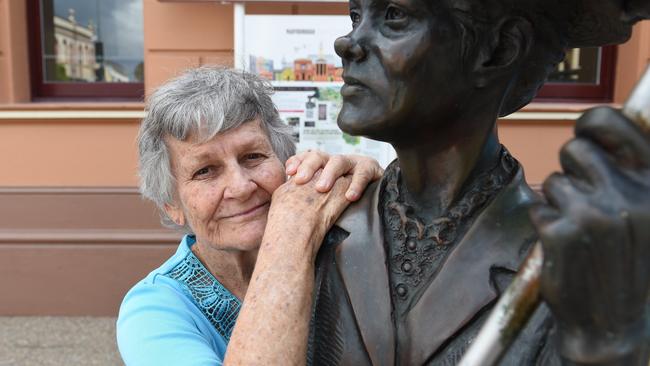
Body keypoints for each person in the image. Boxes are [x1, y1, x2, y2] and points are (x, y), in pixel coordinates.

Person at [307, 0, 650, 365]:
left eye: (394, 15)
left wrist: (609, 342)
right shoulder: (321, 226)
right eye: (356, 16)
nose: (347, 43)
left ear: (500, 47)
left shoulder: (570, 262)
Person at [116, 67, 384, 365]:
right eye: (205, 171)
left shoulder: (340, 246)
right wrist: (290, 234)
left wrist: (373, 192)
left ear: (286, 162)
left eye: (253, 156)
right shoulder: (154, 311)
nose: (241, 187)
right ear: (172, 205)